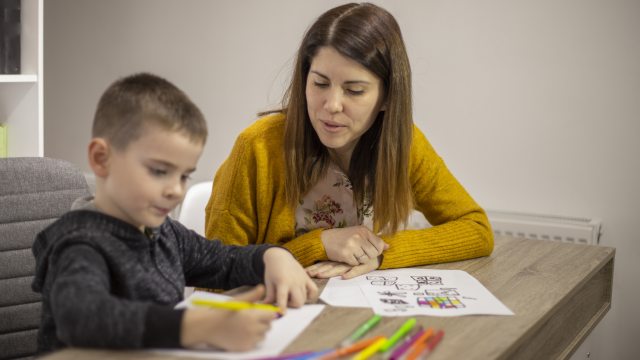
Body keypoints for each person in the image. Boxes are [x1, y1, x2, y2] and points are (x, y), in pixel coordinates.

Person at [31, 73, 317, 353]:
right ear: (101, 159)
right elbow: (85, 320)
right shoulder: (80, 245)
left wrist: (272, 257)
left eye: (184, 176)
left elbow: (224, 262)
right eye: (159, 171)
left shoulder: (163, 232)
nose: (176, 191)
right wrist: (196, 327)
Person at [205, 3, 493, 280]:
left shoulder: (402, 143)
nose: (332, 105)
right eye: (319, 83)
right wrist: (320, 244)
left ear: (387, 97)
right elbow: (215, 274)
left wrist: (380, 253)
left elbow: (476, 229)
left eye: (354, 90)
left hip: (355, 315)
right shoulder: (257, 147)